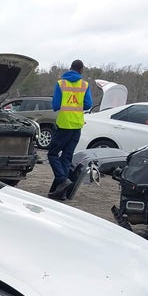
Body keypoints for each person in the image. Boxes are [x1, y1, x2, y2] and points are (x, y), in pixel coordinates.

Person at [47, 59, 92, 199]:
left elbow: (55, 105)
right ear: (81, 70)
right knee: (66, 157)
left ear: (70, 68)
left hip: (64, 124)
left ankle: (62, 180)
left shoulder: (61, 84)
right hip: (77, 125)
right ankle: (62, 193)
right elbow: (88, 104)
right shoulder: (84, 85)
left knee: (52, 154)